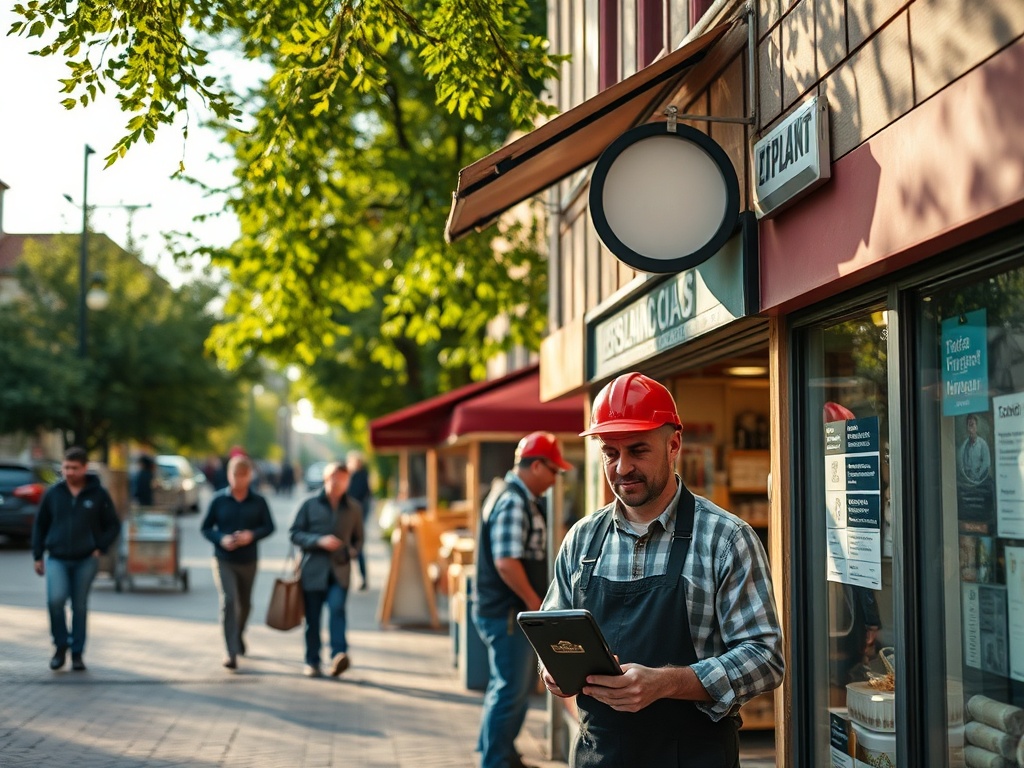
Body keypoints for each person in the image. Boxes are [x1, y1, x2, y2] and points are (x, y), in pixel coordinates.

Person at [540, 373, 784, 767]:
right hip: (598, 756)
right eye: (610, 453)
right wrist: (552, 667)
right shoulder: (582, 540)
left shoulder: (726, 539)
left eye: (637, 450)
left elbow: (766, 658)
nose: (622, 468)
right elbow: (552, 629)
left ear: (674, 445)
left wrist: (669, 682)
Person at [474, 431, 573, 768]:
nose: (555, 479)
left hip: (506, 612)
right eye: (553, 471)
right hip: (508, 613)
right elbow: (506, 562)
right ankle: (495, 760)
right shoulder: (514, 501)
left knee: (507, 688)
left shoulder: (513, 496)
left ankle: (499, 752)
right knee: (510, 690)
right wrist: (536, 604)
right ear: (535, 466)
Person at [31, 446, 121, 672]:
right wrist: (37, 554)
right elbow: (40, 525)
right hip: (57, 558)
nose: (69, 472)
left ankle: (78, 654)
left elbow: (113, 525)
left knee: (79, 606)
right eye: (66, 467)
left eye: (74, 468)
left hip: (86, 559)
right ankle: (61, 646)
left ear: (84, 468)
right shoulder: (53, 493)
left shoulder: (98, 494)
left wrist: (100, 546)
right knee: (56, 600)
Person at [289, 461, 364, 678]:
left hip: (339, 571)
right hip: (312, 571)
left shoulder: (354, 508)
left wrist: (351, 552)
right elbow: (294, 533)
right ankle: (312, 661)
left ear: (348, 482)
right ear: (325, 478)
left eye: (342, 479)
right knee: (312, 619)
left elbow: (359, 540)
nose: (337, 483)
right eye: (333, 478)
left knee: (337, 609)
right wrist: (318, 540)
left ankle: (339, 655)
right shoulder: (309, 504)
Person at [200, 454, 275, 670]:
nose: (239, 479)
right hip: (223, 558)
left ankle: (239, 633)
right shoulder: (218, 499)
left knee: (245, 603)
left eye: (243, 475)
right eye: (235, 474)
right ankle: (230, 650)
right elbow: (206, 528)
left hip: (248, 559)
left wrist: (252, 535)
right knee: (229, 601)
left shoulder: (259, 501)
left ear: (249, 476)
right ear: (229, 474)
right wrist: (221, 538)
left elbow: (269, 527)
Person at [346, 451, 373, 591]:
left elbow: (361, 496)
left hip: (356, 518)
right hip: (350, 518)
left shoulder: (359, 476)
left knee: (357, 548)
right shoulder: (350, 476)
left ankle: (363, 578)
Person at [959, 413, 991, 485]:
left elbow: (986, 464)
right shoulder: (964, 447)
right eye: (969, 425)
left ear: (976, 427)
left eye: (972, 425)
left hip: (981, 483)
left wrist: (978, 476)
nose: (971, 428)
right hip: (967, 483)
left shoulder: (983, 445)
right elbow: (962, 465)